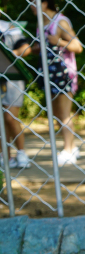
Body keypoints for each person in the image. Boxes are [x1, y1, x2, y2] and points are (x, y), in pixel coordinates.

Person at [31, 0, 81, 166]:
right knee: (56, 115)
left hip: (64, 74)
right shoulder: (41, 24)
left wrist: (58, 41)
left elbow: (77, 46)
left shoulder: (61, 22)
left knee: (64, 114)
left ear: (43, 3)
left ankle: (68, 151)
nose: (31, 8)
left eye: (33, 3)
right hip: (48, 74)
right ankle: (71, 147)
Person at [0, 18, 30, 168]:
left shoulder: (8, 27)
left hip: (12, 79)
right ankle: (5, 156)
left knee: (10, 117)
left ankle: (21, 153)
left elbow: (26, 47)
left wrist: (9, 55)